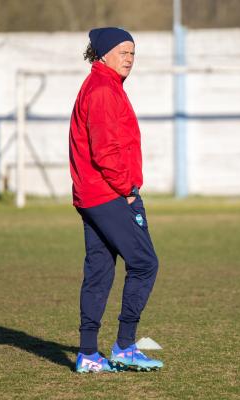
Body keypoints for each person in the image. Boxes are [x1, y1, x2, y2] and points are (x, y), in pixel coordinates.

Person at [69, 27, 163, 373]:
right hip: (109, 193)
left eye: (133, 53)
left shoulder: (104, 86)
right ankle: (124, 346)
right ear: (103, 54)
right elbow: (106, 151)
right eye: (123, 51)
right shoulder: (103, 89)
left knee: (99, 272)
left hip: (92, 194)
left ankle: (88, 354)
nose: (129, 58)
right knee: (144, 263)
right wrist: (126, 190)